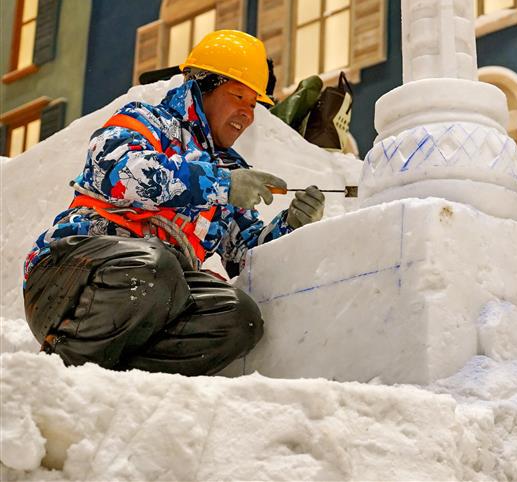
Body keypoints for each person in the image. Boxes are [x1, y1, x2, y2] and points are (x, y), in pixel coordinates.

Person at [23, 30, 326, 376]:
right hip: (68, 279)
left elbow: (246, 256)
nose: (247, 114)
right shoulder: (145, 121)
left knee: (239, 318)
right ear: (203, 87)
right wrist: (220, 184)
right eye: (238, 96)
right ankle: (60, 373)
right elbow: (121, 172)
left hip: (153, 297)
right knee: (157, 267)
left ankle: (121, 381)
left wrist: (292, 225)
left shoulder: (231, 171)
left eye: (253, 104)